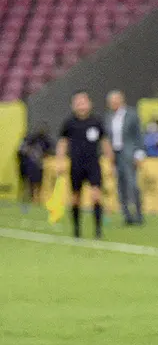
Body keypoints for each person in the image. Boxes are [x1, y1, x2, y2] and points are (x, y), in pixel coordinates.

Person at [56, 90, 112, 238]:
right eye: (78, 103)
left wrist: (110, 161)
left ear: (89, 103)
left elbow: (105, 142)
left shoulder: (96, 121)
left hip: (93, 164)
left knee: (96, 195)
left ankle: (98, 230)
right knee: (75, 197)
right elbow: (63, 143)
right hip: (76, 165)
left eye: (83, 102)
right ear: (73, 105)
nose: (81, 105)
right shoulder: (69, 123)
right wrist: (60, 161)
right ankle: (76, 229)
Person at [105, 90, 144, 225]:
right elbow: (107, 138)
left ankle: (138, 214)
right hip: (116, 154)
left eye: (115, 100)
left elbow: (138, 134)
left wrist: (139, 153)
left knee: (132, 185)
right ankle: (126, 215)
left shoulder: (131, 115)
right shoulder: (109, 117)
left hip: (129, 153)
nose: (112, 103)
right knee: (120, 186)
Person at [17, 130, 52, 212]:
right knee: (29, 184)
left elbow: (48, 151)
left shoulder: (42, 143)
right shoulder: (27, 145)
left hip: (37, 167)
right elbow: (20, 153)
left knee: (38, 183)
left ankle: (36, 199)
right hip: (28, 167)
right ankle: (29, 198)